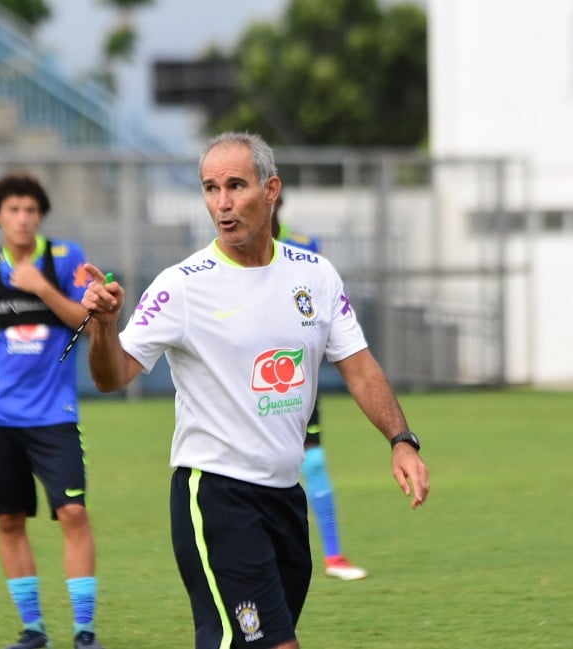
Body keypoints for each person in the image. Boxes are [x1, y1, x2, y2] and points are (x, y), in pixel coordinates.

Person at [80, 132, 430, 649]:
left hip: (286, 498)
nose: (222, 203)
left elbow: (359, 367)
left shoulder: (315, 276)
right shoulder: (182, 285)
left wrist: (402, 438)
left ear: (271, 190)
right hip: (216, 494)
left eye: (236, 186)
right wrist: (104, 328)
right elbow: (113, 377)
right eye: (210, 188)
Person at [0, 172, 107, 649]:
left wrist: (41, 287)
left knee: (74, 513)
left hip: (54, 416)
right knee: (8, 520)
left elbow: (85, 319)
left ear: (40, 217)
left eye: (30, 211)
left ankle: (83, 632)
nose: (22, 219)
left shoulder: (63, 259)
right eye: (13, 210)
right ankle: (33, 631)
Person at [271, 196, 367, 581]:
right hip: (255, 378)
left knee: (313, 460)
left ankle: (333, 555)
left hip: (294, 374)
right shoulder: (234, 250)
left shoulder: (306, 247)